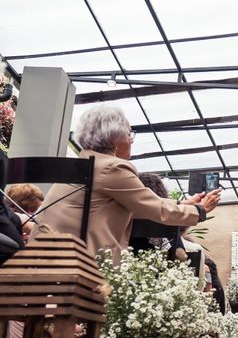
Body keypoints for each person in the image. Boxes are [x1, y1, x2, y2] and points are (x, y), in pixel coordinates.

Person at [30, 105, 220, 261]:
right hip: (81, 260)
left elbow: (135, 204)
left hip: (45, 252)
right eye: (130, 133)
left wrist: (182, 204)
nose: (132, 140)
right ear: (114, 137)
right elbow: (155, 208)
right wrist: (200, 210)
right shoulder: (111, 167)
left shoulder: (83, 163)